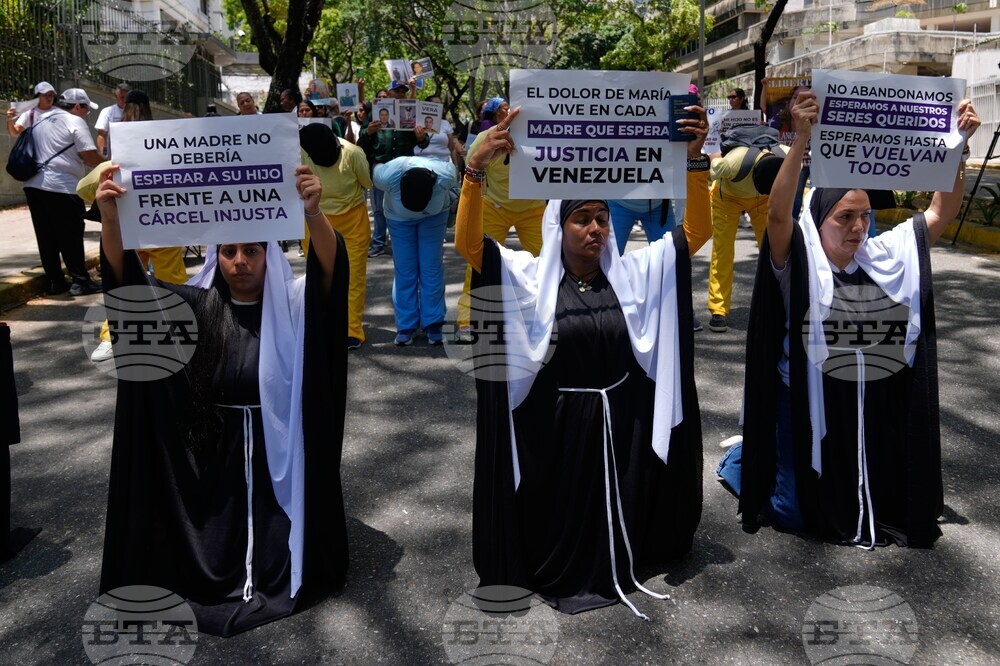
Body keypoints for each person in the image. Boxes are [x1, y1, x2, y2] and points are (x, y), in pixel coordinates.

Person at [457, 107, 711, 618]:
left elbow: (694, 236)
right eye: (581, 218)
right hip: (555, 430)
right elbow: (471, 246)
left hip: (621, 425)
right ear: (559, 225)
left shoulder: (633, 273)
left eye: (600, 218)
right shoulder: (528, 279)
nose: (594, 228)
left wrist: (695, 161)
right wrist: (474, 172)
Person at [94, 158, 350, 636]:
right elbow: (128, 288)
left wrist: (314, 213)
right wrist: (112, 220)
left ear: (268, 255)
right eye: (229, 250)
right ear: (216, 257)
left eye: (251, 250)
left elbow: (330, 277)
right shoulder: (192, 310)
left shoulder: (294, 308)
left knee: (282, 558)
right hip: (212, 462)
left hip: (281, 457)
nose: (240, 261)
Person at [718, 91, 980, 549]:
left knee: (872, 500)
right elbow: (779, 213)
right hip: (801, 401)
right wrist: (801, 139)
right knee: (791, 513)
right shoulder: (798, 260)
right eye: (845, 217)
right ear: (819, 220)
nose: (858, 227)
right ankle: (744, 458)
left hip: (862, 401)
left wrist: (956, 147)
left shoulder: (882, 256)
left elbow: (940, 212)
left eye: (865, 216)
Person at [77, 89, 189, 361]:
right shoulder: (164, 136)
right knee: (172, 279)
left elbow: (83, 188)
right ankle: (183, 329)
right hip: (164, 223)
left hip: (129, 225)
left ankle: (111, 337)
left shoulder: (119, 140)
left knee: (124, 282)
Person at [457, 98, 546, 340]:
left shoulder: (542, 134)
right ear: (496, 116)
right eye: (503, 109)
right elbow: (470, 165)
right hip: (494, 206)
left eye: (511, 107)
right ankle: (467, 317)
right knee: (478, 262)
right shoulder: (484, 136)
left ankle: (551, 312)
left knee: (547, 261)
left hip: (533, 207)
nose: (509, 111)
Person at [15, 87, 102, 296]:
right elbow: (90, 157)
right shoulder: (74, 121)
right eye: (86, 109)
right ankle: (80, 281)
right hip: (62, 186)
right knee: (70, 234)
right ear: (77, 106)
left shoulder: (39, 120)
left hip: (33, 185)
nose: (86, 113)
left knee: (46, 236)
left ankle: (56, 282)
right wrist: (111, 164)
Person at [705, 128, 788, 333]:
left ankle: (778, 303)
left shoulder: (785, 155)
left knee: (774, 250)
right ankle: (718, 309)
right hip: (728, 198)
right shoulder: (732, 162)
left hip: (764, 198)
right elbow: (712, 168)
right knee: (723, 250)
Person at [299, 123, 373, 350]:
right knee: (319, 277)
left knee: (353, 278)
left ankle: (351, 330)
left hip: (353, 223)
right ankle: (324, 327)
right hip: (315, 220)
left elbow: (366, 183)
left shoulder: (353, 153)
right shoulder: (299, 152)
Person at [374, 156, 457, 345]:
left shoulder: (445, 175)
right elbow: (376, 169)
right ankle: (406, 325)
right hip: (398, 219)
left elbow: (455, 169)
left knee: (431, 267)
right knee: (405, 269)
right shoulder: (388, 174)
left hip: (434, 217)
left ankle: (434, 322)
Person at [358, 83, 431, 257]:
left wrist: (421, 137)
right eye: (396, 91)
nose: (400, 94)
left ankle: (401, 243)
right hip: (381, 166)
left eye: (403, 92)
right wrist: (368, 132)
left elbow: (424, 141)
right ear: (388, 93)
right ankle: (378, 243)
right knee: (379, 209)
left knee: (403, 206)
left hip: (404, 167)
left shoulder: (412, 114)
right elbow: (362, 142)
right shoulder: (374, 115)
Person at [768, 84, 812, 221]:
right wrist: (765, 86)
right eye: (795, 97)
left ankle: (792, 225)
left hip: (806, 164)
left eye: (805, 98)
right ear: (789, 101)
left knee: (798, 197)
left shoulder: (816, 121)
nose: (799, 101)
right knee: (786, 195)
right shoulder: (779, 121)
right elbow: (765, 107)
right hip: (784, 162)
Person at [95, 82, 130, 158]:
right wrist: (104, 154)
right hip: (114, 155)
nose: (125, 101)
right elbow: (101, 136)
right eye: (122, 97)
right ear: (116, 96)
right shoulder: (107, 112)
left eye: (127, 98)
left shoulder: (136, 112)